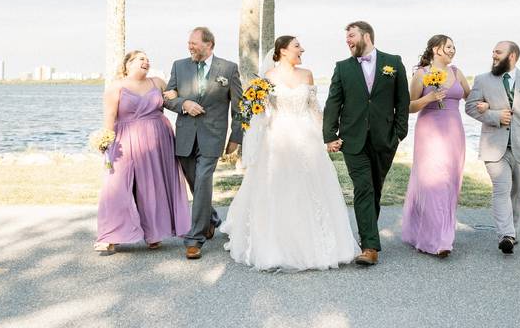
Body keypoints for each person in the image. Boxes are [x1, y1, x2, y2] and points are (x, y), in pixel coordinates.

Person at [220, 36, 357, 270]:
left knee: (311, 188)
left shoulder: (307, 74)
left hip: (307, 139)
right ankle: (276, 246)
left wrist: (329, 136)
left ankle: (319, 245)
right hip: (277, 139)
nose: (302, 49)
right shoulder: (268, 78)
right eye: (297, 46)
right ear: (282, 50)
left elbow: (315, 109)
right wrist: (256, 111)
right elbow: (259, 113)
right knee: (279, 188)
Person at [323, 21, 410, 266]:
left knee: (375, 190)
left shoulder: (393, 62)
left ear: (367, 36)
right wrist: (330, 136)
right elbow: (333, 103)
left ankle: (367, 235)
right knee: (363, 188)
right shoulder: (342, 68)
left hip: (385, 140)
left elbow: (402, 101)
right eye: (346, 38)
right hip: (353, 140)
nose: (348, 41)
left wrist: (399, 133)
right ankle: (369, 247)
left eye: (351, 36)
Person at [95, 50, 190, 252]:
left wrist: (177, 97)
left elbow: (175, 100)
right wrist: (106, 142)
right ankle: (110, 235)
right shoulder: (117, 87)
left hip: (159, 140)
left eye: (148, 59)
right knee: (117, 186)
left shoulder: (158, 82)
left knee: (153, 186)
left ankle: (154, 233)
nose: (146, 61)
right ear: (128, 64)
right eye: (141, 58)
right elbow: (110, 117)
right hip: (126, 140)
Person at [163, 27, 244, 260]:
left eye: (194, 43)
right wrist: (184, 104)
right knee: (195, 184)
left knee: (203, 180)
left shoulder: (228, 69)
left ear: (209, 44)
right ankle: (211, 220)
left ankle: (195, 238)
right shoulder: (179, 66)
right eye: (188, 43)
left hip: (213, 136)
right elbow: (167, 98)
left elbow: (240, 107)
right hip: (186, 135)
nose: (189, 47)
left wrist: (235, 138)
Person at [464, 41, 520, 254]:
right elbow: (470, 107)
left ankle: (513, 231)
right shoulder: (482, 80)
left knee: (518, 193)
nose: (493, 55)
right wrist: (494, 115)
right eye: (493, 51)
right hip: (494, 147)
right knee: (501, 190)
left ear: (512, 56)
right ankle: (506, 235)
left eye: (498, 52)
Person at [400, 34, 472, 258]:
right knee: (433, 184)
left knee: (449, 183)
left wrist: (489, 106)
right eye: (449, 46)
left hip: (454, 133)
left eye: (453, 46)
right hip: (429, 133)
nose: (452, 50)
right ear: (435, 49)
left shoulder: (456, 72)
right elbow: (409, 106)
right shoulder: (421, 74)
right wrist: (428, 99)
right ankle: (438, 241)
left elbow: (470, 97)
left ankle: (441, 233)